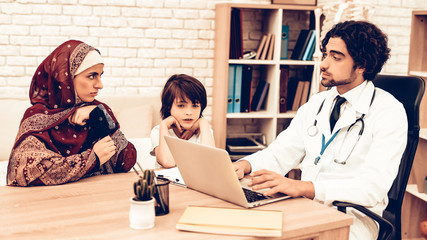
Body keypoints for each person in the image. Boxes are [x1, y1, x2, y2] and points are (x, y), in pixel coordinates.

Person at [233, 20, 407, 240]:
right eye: (325, 54)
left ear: (362, 64)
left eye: (336, 57)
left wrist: (306, 187)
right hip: (305, 207)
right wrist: (244, 165)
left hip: (352, 218)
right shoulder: (317, 103)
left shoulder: (388, 112)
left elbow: (372, 188)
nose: (324, 64)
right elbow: (280, 153)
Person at [7, 40, 137, 186]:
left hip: (97, 197)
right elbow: (26, 172)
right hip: (50, 203)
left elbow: (127, 160)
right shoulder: (37, 116)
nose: (100, 85)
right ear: (65, 77)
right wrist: (91, 159)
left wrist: (100, 117)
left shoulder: (98, 110)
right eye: (92, 76)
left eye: (101, 75)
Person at [150, 74, 215, 168]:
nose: (189, 112)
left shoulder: (204, 131)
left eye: (195, 105)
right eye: (181, 106)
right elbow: (168, 162)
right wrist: (164, 125)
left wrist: (203, 122)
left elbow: (210, 163)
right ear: (169, 107)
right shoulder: (159, 131)